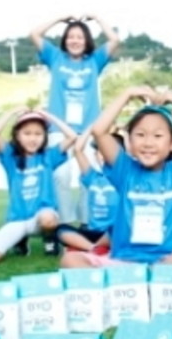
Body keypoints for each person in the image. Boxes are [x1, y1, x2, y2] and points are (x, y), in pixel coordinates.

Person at [59, 86, 172, 268]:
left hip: (168, 262)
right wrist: (128, 94)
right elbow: (99, 131)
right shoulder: (124, 169)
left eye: (158, 136)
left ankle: (145, 282)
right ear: (129, 141)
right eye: (140, 135)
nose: (148, 143)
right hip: (126, 262)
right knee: (70, 260)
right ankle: (137, 282)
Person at [29, 13, 122, 224]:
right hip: (59, 130)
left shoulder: (94, 61)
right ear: (65, 40)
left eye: (80, 37)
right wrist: (59, 18)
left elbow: (114, 40)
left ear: (86, 40)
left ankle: (86, 223)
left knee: (88, 177)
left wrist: (97, 18)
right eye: (71, 36)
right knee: (60, 176)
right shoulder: (55, 57)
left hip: (87, 131)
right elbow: (34, 34)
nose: (75, 41)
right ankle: (63, 223)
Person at [0, 108, 76, 263]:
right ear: (17, 135)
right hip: (17, 219)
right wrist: (11, 112)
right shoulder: (10, 156)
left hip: (42, 217)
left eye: (38, 134)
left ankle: (50, 240)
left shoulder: (48, 156)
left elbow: (72, 136)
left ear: (45, 136)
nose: (33, 139)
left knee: (48, 218)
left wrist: (48, 115)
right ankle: (20, 241)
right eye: (27, 133)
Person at [56, 133, 119, 255]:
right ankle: (94, 249)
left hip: (113, 233)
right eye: (101, 152)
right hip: (93, 232)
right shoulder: (92, 177)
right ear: (96, 155)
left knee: (122, 231)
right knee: (61, 230)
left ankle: (84, 247)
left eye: (109, 152)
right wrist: (91, 128)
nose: (105, 155)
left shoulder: (125, 178)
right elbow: (77, 150)